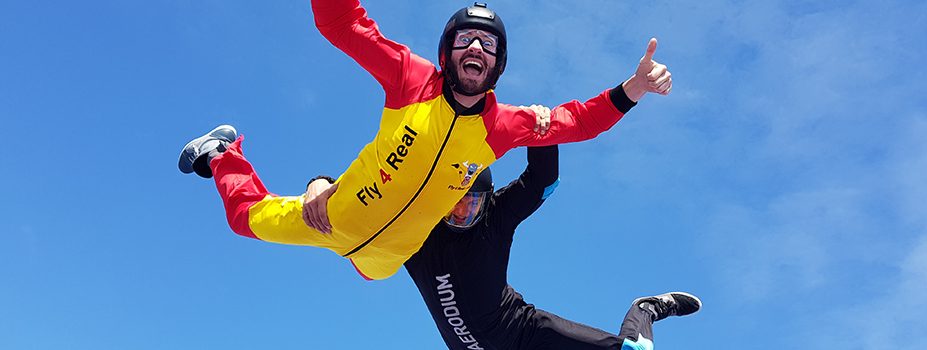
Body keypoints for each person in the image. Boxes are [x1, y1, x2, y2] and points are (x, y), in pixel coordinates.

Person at [178, 1, 673, 281]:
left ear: (498, 65)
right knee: (243, 221)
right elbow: (342, 24)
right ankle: (222, 153)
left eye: (489, 44)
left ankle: (322, 188)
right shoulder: (410, 80)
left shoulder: (502, 127)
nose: (476, 46)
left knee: (373, 274)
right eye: (465, 39)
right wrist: (319, 185)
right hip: (329, 220)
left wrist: (633, 89)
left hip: (383, 261)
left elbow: (577, 121)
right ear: (447, 52)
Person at [305, 145, 701, 350]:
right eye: (454, 203)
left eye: (471, 203)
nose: (462, 213)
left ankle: (646, 308)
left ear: (486, 200)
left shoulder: (496, 216)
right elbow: (354, 195)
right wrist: (319, 184)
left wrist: (539, 126)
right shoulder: (418, 228)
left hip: (527, 334)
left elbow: (543, 178)